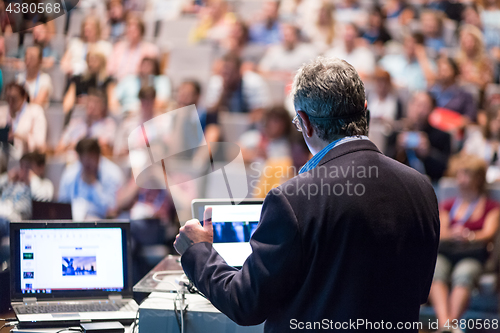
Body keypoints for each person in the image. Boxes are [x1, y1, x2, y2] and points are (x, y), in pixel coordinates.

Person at [174, 57, 440, 332]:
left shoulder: (293, 198)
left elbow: (245, 302)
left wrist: (199, 251)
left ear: (304, 123)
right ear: (363, 110)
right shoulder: (421, 187)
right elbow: (418, 293)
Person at [429, 154, 499, 332]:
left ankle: (449, 325)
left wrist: (468, 236)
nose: (461, 179)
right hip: (448, 251)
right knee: (435, 271)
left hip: (473, 255)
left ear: (478, 178)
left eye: (466, 174)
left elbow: (489, 234)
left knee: (464, 274)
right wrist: (454, 234)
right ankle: (446, 324)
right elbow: (441, 232)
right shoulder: (448, 204)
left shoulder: (491, 206)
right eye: (459, 174)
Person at [386, 91, 451, 183]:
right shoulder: (396, 133)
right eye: (415, 104)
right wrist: (397, 149)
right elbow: (383, 164)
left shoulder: (441, 136)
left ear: (432, 109)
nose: (419, 110)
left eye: (424, 106)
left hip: (430, 184)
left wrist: (428, 153)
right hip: (399, 183)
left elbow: (446, 169)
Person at [58, 138, 123, 219]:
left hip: (103, 222)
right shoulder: (69, 174)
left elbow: (112, 211)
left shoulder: (112, 174)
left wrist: (94, 185)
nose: (86, 162)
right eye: (82, 158)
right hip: (75, 222)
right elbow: (62, 206)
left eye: (90, 158)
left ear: (98, 156)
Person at [205, 53, 270, 122]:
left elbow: (261, 112)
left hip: (249, 125)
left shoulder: (254, 81)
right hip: (224, 124)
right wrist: (224, 93)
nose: (227, 77)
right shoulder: (216, 82)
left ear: (239, 71)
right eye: (224, 73)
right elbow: (211, 112)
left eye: (230, 73)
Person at [57, 89, 116, 157]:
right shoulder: (75, 123)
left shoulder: (108, 124)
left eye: (96, 102)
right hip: (71, 161)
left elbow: (107, 151)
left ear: (103, 107)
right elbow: (59, 149)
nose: (92, 105)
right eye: (90, 101)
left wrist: (74, 145)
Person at [107, 15, 160, 82]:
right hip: (117, 82)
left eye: (135, 28)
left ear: (141, 30)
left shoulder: (151, 50)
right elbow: (110, 69)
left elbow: (151, 72)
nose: (131, 30)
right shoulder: (118, 47)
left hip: (139, 84)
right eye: (129, 27)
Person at [0, 83, 47, 155]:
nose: (10, 102)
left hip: (26, 156)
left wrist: (18, 137)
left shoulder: (36, 112)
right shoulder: (2, 111)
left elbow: (40, 144)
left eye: (14, 99)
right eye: (8, 98)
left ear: (23, 97)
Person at [63, 51, 115, 116]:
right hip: (80, 116)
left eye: (94, 61)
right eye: (89, 61)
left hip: (101, 118)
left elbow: (113, 105)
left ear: (101, 62)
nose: (90, 64)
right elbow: (67, 104)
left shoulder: (108, 82)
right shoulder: (78, 80)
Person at [429, 56, 477, 122]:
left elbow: (469, 118)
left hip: (452, 128)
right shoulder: (431, 93)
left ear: (454, 72)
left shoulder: (465, 95)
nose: (441, 73)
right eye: (439, 70)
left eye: (445, 70)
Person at [0, 153, 32, 239]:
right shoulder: (11, 185)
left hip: (12, 220)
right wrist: (7, 177)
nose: (23, 170)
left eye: (27, 168)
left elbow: (29, 209)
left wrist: (29, 183)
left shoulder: (34, 185)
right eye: (21, 167)